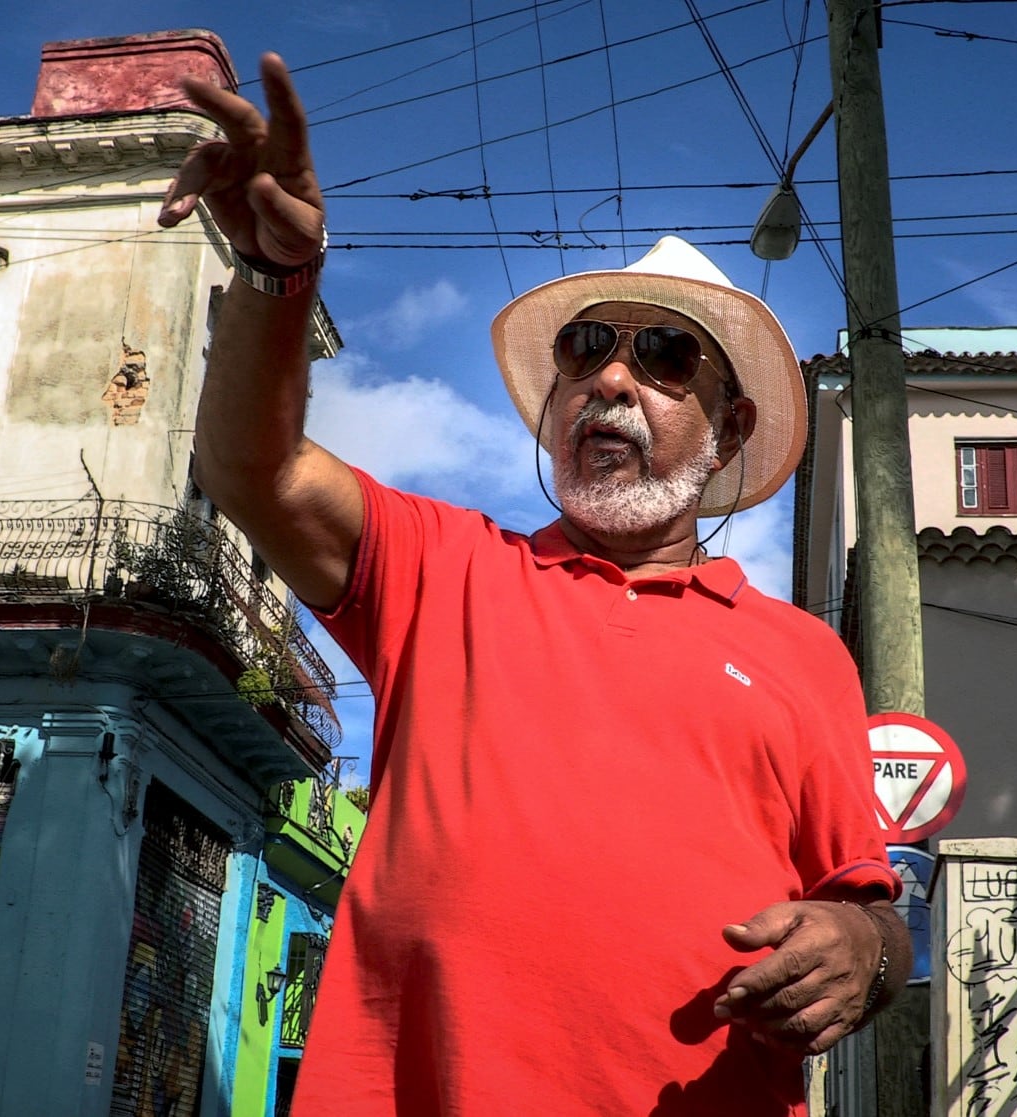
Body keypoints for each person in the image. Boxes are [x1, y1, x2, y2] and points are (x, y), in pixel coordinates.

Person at [160, 53, 908, 1117]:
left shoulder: (804, 656)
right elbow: (255, 470)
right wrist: (276, 277)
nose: (612, 377)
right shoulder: (443, 568)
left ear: (730, 426)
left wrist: (863, 950)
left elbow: (868, 909)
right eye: (586, 349)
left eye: (665, 356)